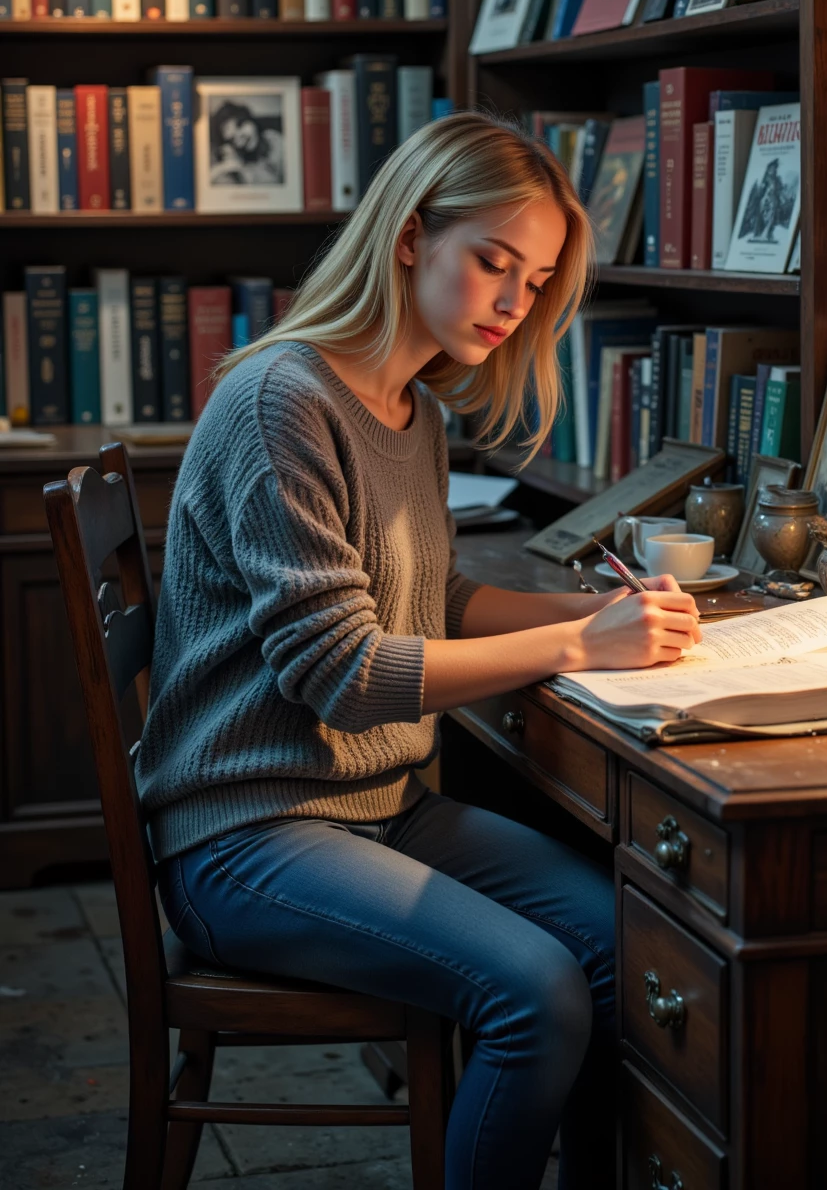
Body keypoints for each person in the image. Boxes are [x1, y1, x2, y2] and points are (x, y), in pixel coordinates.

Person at [135, 111, 701, 1190]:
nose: (510, 302)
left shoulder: (412, 409)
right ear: (408, 237)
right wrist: (581, 643)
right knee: (535, 990)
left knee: (627, 944)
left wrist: (621, 625)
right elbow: (345, 675)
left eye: (533, 282)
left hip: (379, 808)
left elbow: (435, 597)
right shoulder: (282, 402)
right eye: (492, 261)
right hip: (245, 833)